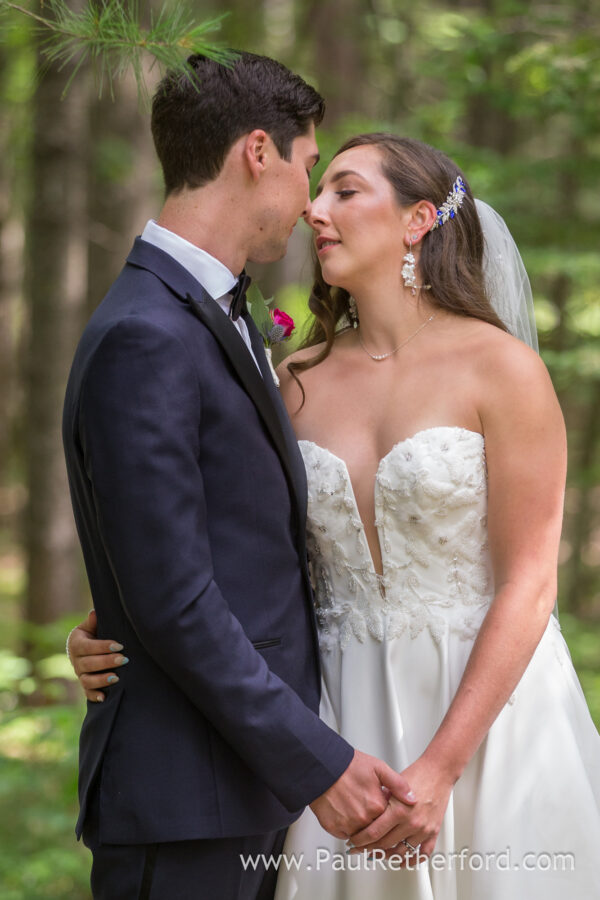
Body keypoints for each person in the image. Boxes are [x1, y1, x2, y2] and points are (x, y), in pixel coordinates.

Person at [69, 131, 600, 898]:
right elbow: (218, 551)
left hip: (491, 715)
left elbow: (530, 582)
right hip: (338, 722)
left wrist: (443, 765)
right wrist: (105, 625)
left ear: (419, 220)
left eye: (345, 191)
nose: (314, 210)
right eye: (318, 190)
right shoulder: (294, 381)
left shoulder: (503, 369)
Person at [62, 58, 416, 900]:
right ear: (259, 150)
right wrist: (318, 765)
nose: (309, 203)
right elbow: (174, 601)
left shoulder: (212, 312)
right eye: (307, 165)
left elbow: (221, 547)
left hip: (237, 789)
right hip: (186, 800)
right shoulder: (147, 332)